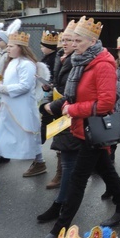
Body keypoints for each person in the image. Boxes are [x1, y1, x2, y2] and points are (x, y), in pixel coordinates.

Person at [31, 16, 120, 238]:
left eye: (77, 40)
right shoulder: (80, 61)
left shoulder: (103, 64)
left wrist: (72, 110)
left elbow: (107, 103)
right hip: (82, 127)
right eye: (72, 40)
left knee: (77, 180)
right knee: (106, 170)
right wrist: (56, 107)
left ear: (91, 41)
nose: (72, 44)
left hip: (92, 129)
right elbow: (73, 95)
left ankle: (57, 232)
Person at [0, 30, 49, 179]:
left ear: (21, 47)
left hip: (22, 107)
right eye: (7, 46)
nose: (8, 49)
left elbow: (25, 86)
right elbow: (11, 82)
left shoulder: (27, 64)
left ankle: (39, 162)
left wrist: (1, 88)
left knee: (28, 134)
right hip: (9, 107)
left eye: (11, 46)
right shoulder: (12, 62)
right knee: (0, 135)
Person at [37, 22, 81, 221]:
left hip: (71, 113)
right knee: (97, 164)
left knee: (70, 158)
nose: (64, 43)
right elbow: (61, 83)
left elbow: (75, 92)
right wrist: (50, 86)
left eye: (70, 40)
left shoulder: (77, 61)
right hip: (62, 111)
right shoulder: (61, 58)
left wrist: (52, 106)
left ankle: (61, 204)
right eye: (63, 40)